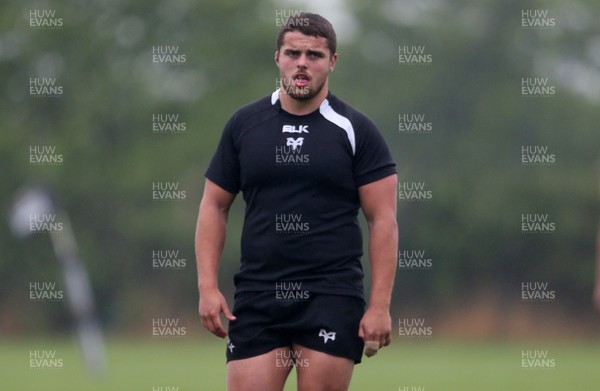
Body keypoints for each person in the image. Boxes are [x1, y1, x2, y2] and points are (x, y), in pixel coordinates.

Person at [195, 12, 398, 391]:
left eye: (314, 55)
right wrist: (207, 286)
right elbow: (213, 205)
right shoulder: (244, 125)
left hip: (330, 294)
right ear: (277, 58)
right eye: (293, 53)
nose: (302, 63)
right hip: (258, 293)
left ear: (332, 61)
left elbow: (383, 219)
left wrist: (380, 306)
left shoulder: (357, 130)